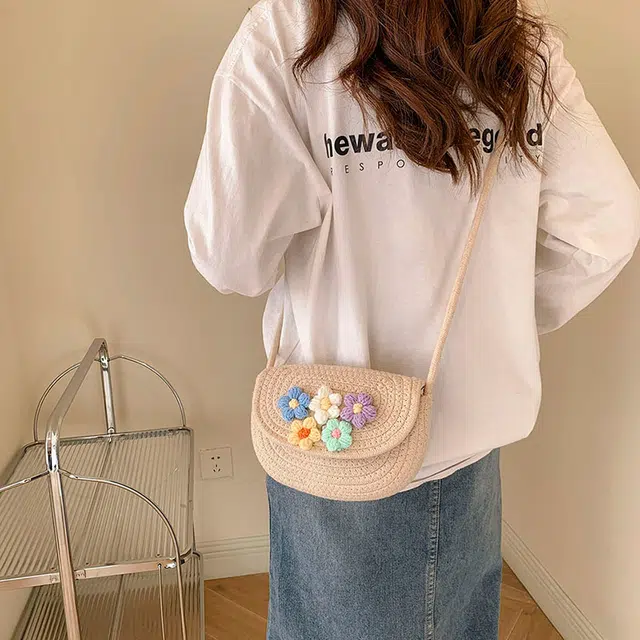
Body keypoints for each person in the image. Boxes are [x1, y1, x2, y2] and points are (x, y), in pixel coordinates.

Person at [184, 0, 640, 638]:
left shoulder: (290, 29)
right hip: (468, 447)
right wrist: (500, 316)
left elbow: (229, 257)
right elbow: (607, 226)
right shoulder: (512, 33)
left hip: (330, 435)